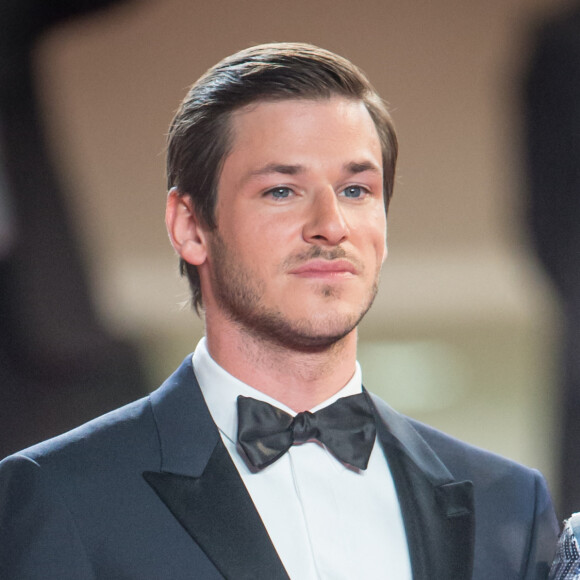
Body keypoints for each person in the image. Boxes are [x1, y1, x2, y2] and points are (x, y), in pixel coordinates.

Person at [0, 42, 559, 579]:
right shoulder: (62, 492)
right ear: (190, 227)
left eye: (357, 190)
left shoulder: (508, 502)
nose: (331, 224)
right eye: (281, 191)